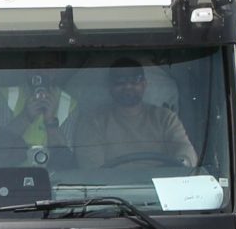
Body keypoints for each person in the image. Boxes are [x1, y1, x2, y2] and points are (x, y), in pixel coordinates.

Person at [67, 60, 195, 172]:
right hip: (113, 189)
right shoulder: (92, 121)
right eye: (120, 81)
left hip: (160, 187)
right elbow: (92, 170)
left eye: (135, 80)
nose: (128, 86)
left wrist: (182, 163)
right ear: (110, 86)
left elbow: (185, 151)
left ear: (144, 85)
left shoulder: (165, 117)